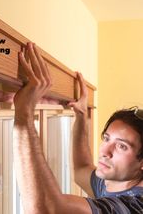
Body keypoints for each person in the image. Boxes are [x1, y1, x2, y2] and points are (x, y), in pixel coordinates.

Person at [13, 42, 143, 214]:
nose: (105, 151)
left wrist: (24, 114)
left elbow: (46, 209)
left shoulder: (134, 206)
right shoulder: (113, 182)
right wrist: (81, 116)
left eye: (121, 146)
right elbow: (82, 169)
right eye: (106, 138)